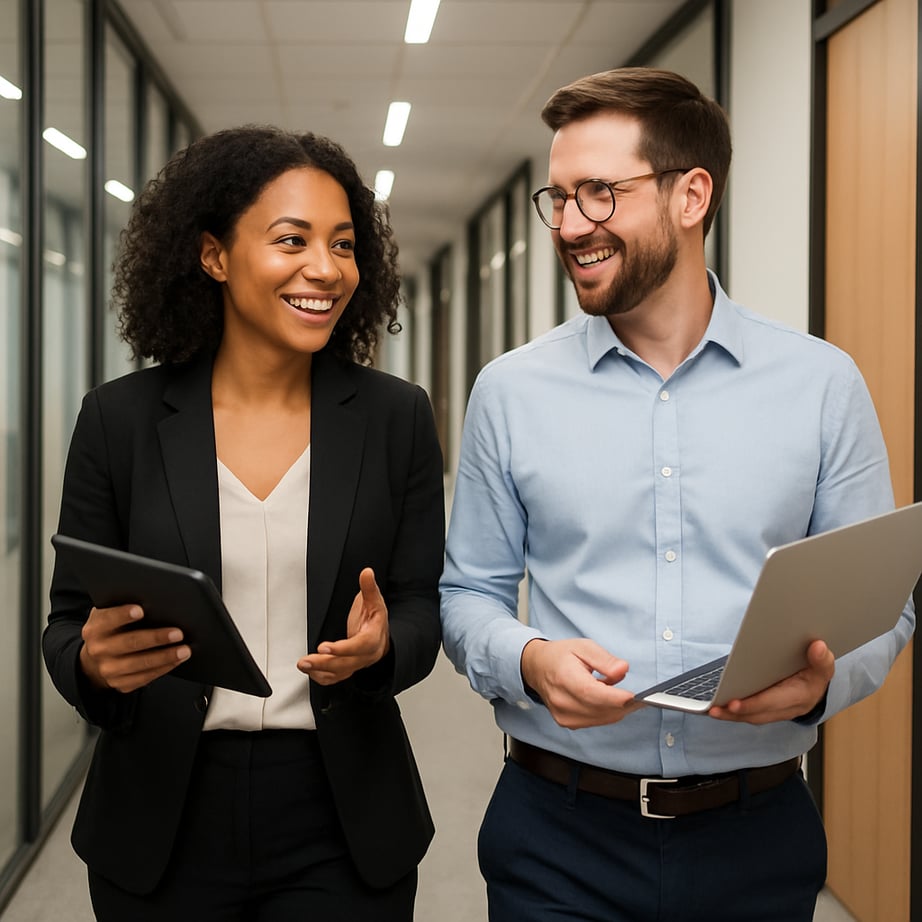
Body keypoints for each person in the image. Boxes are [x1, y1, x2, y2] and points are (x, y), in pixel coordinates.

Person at [439, 67, 914, 922]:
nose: (572, 225)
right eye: (560, 198)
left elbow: (884, 603)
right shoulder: (509, 392)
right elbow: (468, 594)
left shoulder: (820, 385)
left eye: (599, 194)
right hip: (557, 835)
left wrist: (822, 683)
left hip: (757, 833)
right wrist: (532, 663)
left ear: (691, 194)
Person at [43, 125, 444, 921]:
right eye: (291, 240)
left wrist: (383, 644)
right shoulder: (119, 422)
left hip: (338, 809)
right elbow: (65, 627)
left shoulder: (394, 417)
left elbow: (421, 607)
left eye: (342, 244)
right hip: (164, 806)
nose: (325, 270)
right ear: (214, 256)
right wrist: (93, 664)